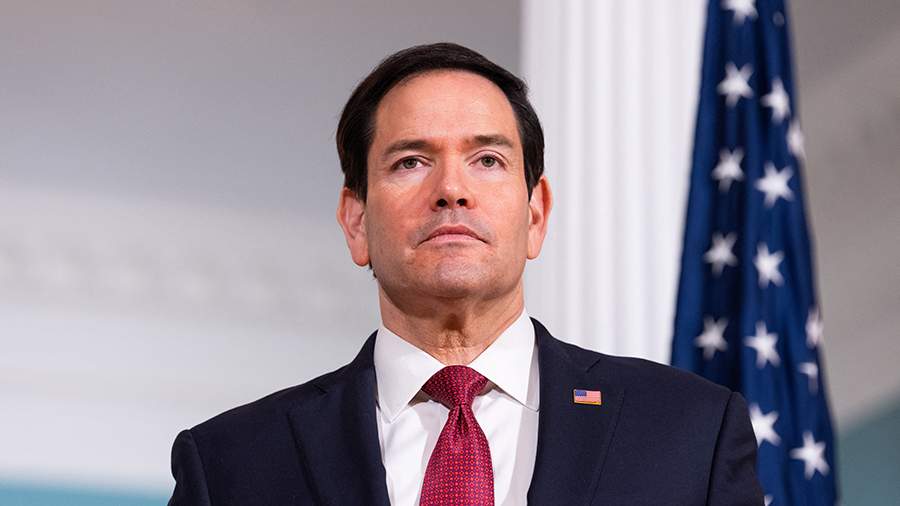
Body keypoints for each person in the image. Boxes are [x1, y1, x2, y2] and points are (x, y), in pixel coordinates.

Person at [168, 42, 764, 505]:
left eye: (487, 160)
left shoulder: (690, 431)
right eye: (411, 161)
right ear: (356, 222)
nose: (451, 189)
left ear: (536, 214)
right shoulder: (230, 464)